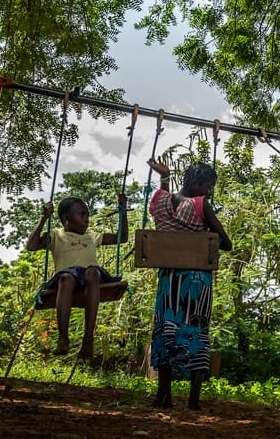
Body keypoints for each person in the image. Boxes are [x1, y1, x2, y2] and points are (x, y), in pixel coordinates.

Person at [146, 158, 232, 411]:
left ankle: (164, 395)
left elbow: (164, 197)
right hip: (195, 282)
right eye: (208, 186)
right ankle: (193, 400)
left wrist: (164, 177)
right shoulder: (200, 204)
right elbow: (226, 243)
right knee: (196, 330)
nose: (209, 192)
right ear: (197, 184)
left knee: (165, 329)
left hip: (169, 281)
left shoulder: (159, 200)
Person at [25, 193, 129, 359]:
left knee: (92, 272)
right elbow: (31, 246)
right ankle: (63, 339)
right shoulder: (56, 236)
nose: (87, 219)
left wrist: (123, 209)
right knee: (66, 278)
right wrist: (44, 218)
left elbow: (122, 238)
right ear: (67, 219)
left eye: (87, 215)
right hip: (67, 278)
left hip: (91, 278)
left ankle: (88, 339)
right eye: (82, 215)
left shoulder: (92, 236)